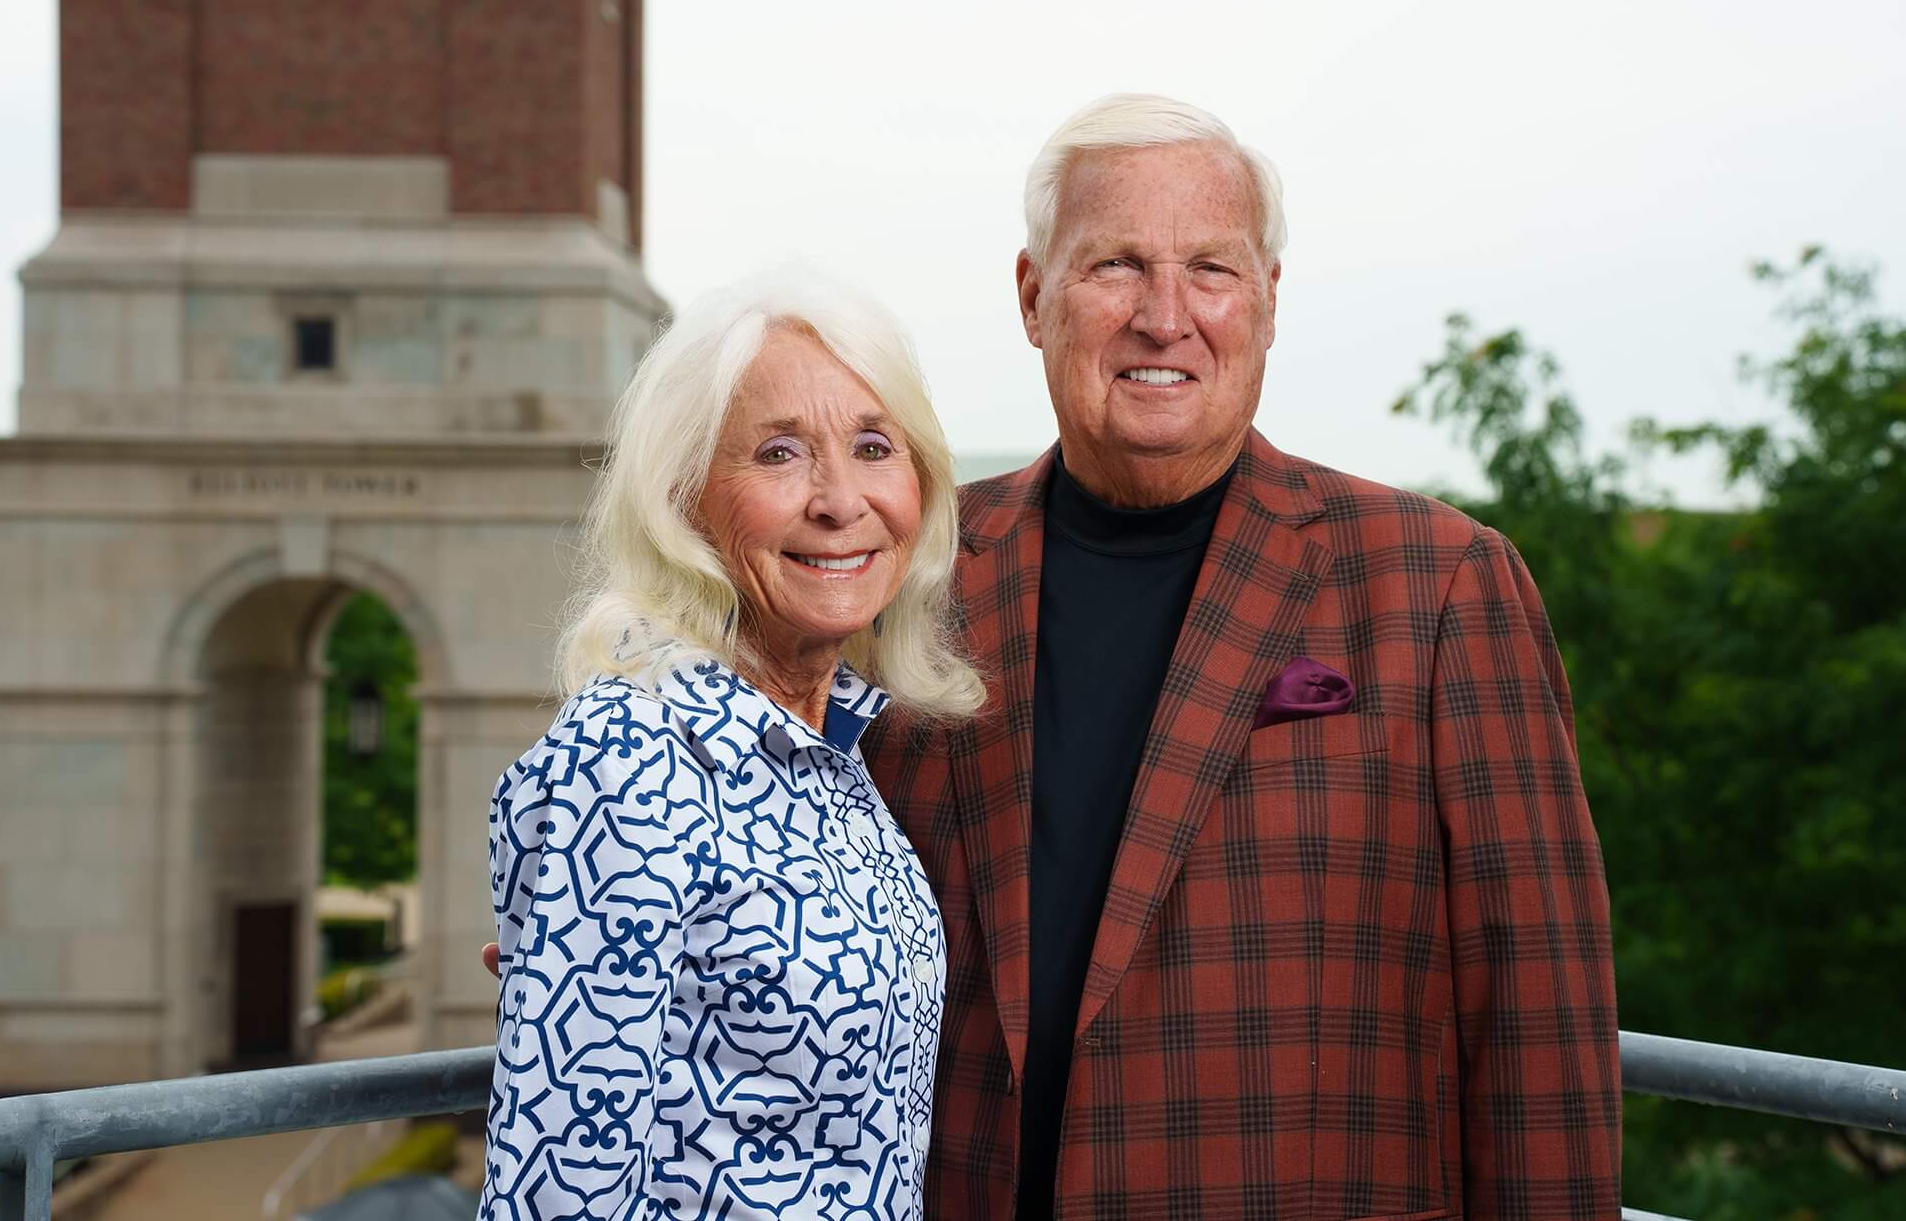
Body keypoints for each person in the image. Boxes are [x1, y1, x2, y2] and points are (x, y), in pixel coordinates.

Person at [861, 93, 1622, 1219]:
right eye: (1114, 265)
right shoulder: (905, 576)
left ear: (1267, 304)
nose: (1164, 317)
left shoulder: (1441, 584)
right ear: (1033, 297)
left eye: (1210, 270)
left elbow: (1538, 1021)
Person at [479, 268, 986, 1220]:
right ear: (683, 499)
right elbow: (557, 1192)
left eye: (874, 447)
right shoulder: (627, 763)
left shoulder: (829, 748)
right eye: (780, 453)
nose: (840, 501)